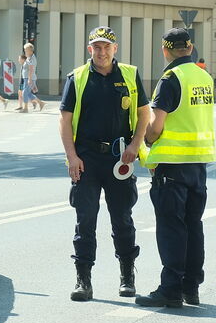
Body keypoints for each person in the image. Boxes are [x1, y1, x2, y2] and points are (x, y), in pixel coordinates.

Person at [59, 27, 150, 301]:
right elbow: (64, 120)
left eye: (106, 47)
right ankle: (83, 280)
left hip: (119, 158)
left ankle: (127, 276)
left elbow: (144, 114)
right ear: (90, 50)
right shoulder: (77, 78)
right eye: (96, 47)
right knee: (85, 220)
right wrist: (72, 157)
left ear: (115, 49)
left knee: (122, 218)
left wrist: (135, 145)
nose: (101, 52)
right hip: (86, 159)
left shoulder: (130, 76)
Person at [136, 27, 216, 308]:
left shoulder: (170, 79)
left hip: (172, 167)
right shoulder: (204, 76)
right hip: (198, 165)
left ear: (165, 50)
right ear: (190, 48)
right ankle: (190, 287)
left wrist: (145, 138)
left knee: (172, 228)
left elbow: (156, 127)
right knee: (194, 226)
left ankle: (170, 289)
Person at [21, 43, 44, 112]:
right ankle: (40, 103)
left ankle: (25, 108)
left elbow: (31, 69)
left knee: (24, 92)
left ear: (31, 51)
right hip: (27, 78)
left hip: (29, 78)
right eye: (25, 50)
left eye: (26, 50)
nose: (25, 51)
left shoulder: (31, 58)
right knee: (28, 93)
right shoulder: (29, 57)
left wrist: (30, 79)